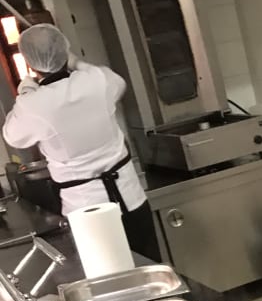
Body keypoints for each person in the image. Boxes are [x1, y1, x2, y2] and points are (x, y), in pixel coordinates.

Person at [2, 23, 159, 259]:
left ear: (31, 64)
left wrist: (25, 92)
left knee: (108, 274)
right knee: (150, 266)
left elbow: (12, 136)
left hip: (87, 212)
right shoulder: (97, 80)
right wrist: (78, 63)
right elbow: (118, 83)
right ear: (66, 50)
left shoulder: (34, 104)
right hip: (131, 199)